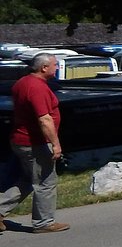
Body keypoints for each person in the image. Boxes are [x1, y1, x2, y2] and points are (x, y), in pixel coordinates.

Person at [0, 53, 70, 233]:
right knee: (46, 181)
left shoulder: (22, 82)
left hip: (21, 140)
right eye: (55, 65)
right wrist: (55, 144)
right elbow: (44, 119)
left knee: (28, 179)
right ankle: (44, 223)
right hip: (35, 143)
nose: (57, 68)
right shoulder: (36, 88)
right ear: (44, 67)